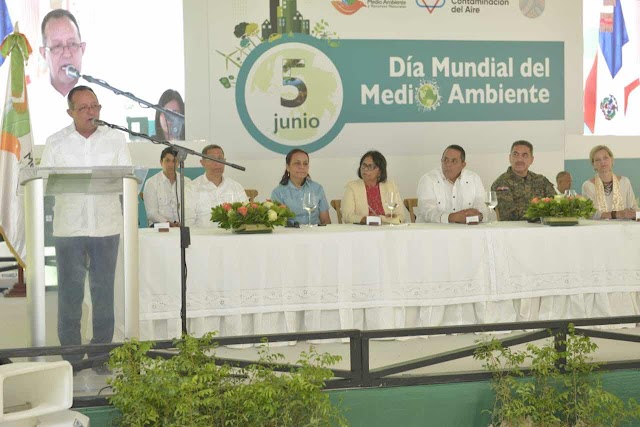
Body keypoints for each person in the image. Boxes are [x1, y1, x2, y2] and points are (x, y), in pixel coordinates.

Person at [39, 86, 132, 362]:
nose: (91, 112)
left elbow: (127, 177)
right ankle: (72, 357)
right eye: (84, 108)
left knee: (104, 294)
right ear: (70, 112)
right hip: (69, 229)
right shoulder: (56, 142)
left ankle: (101, 355)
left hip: (106, 227)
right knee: (70, 295)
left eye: (95, 106)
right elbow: (44, 183)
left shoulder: (116, 139)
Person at [31, 9, 86, 145]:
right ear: (44, 53)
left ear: (82, 48)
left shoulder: (105, 96)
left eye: (72, 44)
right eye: (57, 46)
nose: (66, 53)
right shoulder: (29, 102)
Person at [415, 145, 487, 224]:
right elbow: (427, 212)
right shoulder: (428, 179)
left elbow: (482, 208)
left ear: (463, 165)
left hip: (465, 232)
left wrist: (478, 217)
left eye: (454, 161)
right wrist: (453, 217)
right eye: (445, 160)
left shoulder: (474, 179)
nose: (448, 164)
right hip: (432, 233)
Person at [184, 144, 248, 227]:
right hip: (203, 238)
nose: (218, 163)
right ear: (203, 163)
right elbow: (188, 222)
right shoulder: (191, 188)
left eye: (220, 159)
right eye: (212, 159)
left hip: (232, 237)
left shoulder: (236, 187)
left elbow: (246, 217)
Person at [491, 140, 555, 221]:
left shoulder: (541, 180)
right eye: (515, 154)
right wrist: (542, 213)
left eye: (525, 155)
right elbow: (508, 215)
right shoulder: (501, 183)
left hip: (542, 230)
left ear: (531, 159)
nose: (519, 159)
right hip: (514, 231)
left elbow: (555, 205)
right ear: (510, 158)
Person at [341, 150, 405, 224]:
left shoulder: (391, 186)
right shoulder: (352, 187)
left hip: (387, 230)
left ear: (380, 171)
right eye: (364, 165)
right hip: (363, 231)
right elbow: (347, 216)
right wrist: (365, 219)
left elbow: (402, 215)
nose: (365, 169)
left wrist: (394, 217)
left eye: (370, 166)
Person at [271, 148, 330, 225]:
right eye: (297, 163)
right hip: (290, 234)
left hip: (315, 233)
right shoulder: (278, 192)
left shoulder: (317, 188)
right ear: (288, 167)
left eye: (305, 164)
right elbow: (278, 223)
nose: (302, 167)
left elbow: (326, 221)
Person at [581, 145, 638, 219]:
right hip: (598, 229)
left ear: (612, 159)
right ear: (593, 164)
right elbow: (590, 214)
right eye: (598, 160)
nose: (602, 162)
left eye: (605, 158)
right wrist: (618, 214)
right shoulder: (588, 185)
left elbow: (634, 208)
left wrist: (637, 216)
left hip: (624, 228)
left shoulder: (624, 182)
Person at [143, 147, 191, 226]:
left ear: (178, 163)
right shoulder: (151, 183)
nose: (171, 165)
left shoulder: (187, 182)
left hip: (182, 225)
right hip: (159, 226)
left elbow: (190, 208)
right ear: (161, 162)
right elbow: (151, 213)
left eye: (174, 161)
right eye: (167, 161)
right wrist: (168, 223)